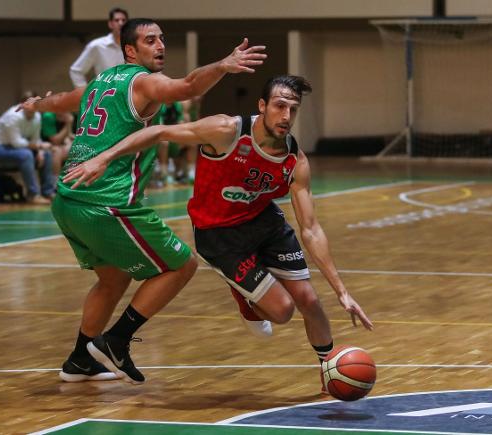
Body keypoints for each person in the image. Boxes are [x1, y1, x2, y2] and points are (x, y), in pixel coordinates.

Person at [62, 75, 373, 390]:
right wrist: (102, 158)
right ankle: (242, 291)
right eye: (280, 106)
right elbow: (158, 131)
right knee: (282, 311)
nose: (286, 116)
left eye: (293, 109)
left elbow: (311, 229)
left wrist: (342, 291)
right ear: (262, 106)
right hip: (218, 233)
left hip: (264, 222)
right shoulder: (225, 131)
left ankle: (329, 370)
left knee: (308, 299)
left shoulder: (295, 160)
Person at [20, 18, 267, 384]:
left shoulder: (98, 84)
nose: (161, 46)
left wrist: (35, 104)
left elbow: (61, 101)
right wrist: (222, 66)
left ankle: (80, 359)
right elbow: (185, 87)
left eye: (162, 39)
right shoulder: (143, 81)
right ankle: (116, 342)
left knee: (113, 278)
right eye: (150, 40)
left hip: (67, 201)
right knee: (181, 266)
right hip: (105, 201)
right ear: (130, 50)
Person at [0, 92, 55, 205]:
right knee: (26, 155)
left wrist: (40, 151)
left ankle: (48, 192)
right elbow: (16, 142)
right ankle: (33, 195)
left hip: (17, 149)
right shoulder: (13, 116)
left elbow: (36, 140)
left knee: (46, 155)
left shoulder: (37, 117)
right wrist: (38, 146)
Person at [69, 7, 129, 87]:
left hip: (127, 96)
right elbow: (76, 71)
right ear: (110, 24)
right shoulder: (97, 45)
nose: (121, 23)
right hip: (103, 95)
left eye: (123, 20)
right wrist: (85, 93)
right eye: (117, 20)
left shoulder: (133, 45)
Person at [41, 111, 74, 176]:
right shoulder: (48, 116)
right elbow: (55, 141)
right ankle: (56, 181)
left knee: (77, 146)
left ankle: (72, 178)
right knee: (57, 152)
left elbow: (69, 135)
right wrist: (68, 124)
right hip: (45, 144)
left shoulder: (67, 114)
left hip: (60, 144)